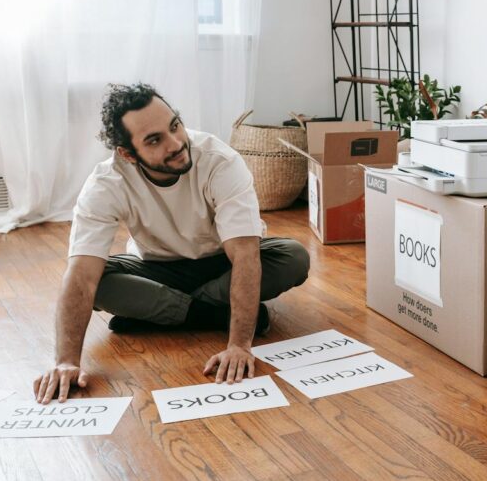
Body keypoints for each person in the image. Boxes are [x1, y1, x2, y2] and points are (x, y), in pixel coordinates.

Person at [33, 83, 310, 404]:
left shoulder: (220, 161)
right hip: (155, 268)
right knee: (95, 283)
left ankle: (161, 315)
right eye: (154, 140)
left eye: (175, 125)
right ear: (127, 154)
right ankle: (213, 314)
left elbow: (246, 257)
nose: (177, 143)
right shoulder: (105, 184)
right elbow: (81, 276)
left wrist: (239, 345)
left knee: (293, 257)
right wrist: (66, 361)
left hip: (223, 263)